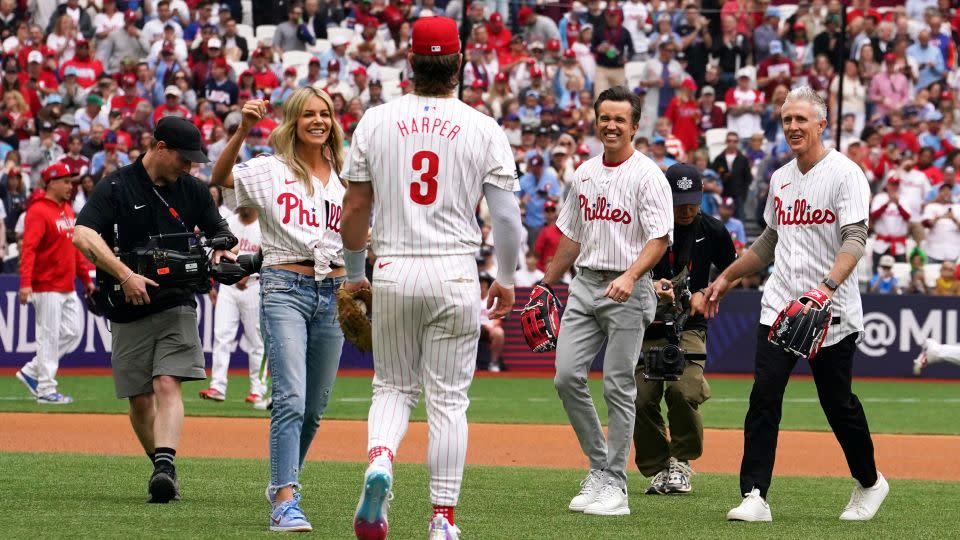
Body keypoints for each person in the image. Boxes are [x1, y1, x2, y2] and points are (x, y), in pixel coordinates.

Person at [339, 17, 522, 540]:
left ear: (410, 62)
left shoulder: (375, 120)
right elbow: (507, 218)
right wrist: (506, 278)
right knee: (448, 400)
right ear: (459, 63)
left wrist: (356, 274)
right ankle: (442, 518)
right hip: (455, 272)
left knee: (392, 386)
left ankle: (380, 461)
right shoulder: (483, 126)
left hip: (394, 267)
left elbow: (355, 207)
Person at [702, 86, 888, 522]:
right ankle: (754, 495)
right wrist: (727, 276)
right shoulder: (780, 177)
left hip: (831, 311)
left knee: (837, 405)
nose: (793, 127)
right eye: (787, 120)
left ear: (821, 124)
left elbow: (855, 239)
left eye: (801, 119)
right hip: (780, 308)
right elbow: (769, 240)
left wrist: (824, 289)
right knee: (764, 398)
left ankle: (869, 481)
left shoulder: (846, 174)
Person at [73, 117, 237, 504]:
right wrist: (125, 273)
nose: (190, 166)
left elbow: (219, 231)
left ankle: (164, 467)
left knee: (167, 382)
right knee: (139, 398)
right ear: (160, 147)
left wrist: (223, 250)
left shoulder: (193, 189)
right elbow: (82, 233)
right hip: (127, 304)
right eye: (184, 158)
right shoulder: (116, 185)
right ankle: (161, 465)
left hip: (176, 301)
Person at [210, 87, 348, 532]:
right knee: (289, 395)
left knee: (315, 405)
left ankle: (282, 481)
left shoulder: (347, 175)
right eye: (307, 113)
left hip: (336, 290)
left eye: (324, 113)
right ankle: (285, 498)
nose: (317, 120)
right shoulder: (271, 169)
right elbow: (221, 176)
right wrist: (244, 129)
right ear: (292, 121)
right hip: (285, 283)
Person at [546, 86, 672, 516]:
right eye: (605, 118)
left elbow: (659, 239)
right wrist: (546, 284)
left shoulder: (648, 175)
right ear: (595, 121)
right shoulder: (582, 173)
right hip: (585, 283)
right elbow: (571, 236)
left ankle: (615, 485)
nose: (612, 125)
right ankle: (600, 468)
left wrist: (633, 275)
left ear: (635, 126)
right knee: (566, 377)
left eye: (621, 119)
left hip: (629, 288)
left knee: (618, 385)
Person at [635, 163, 737, 496]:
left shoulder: (714, 230)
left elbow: (732, 272)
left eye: (692, 200)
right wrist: (651, 286)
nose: (686, 208)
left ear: (702, 195)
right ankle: (658, 468)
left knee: (681, 391)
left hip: (690, 324)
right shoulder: (645, 229)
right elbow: (623, 271)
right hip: (647, 324)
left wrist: (708, 293)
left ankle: (681, 462)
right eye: (679, 201)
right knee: (639, 398)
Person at [14, 163, 94, 404]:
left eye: (72, 182)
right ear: (51, 183)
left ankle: (30, 371)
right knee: (48, 338)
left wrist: (85, 279)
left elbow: (75, 248)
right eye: (66, 181)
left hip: (66, 284)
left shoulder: (67, 209)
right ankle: (46, 389)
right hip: (45, 285)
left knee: (73, 332)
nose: (71, 186)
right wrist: (25, 283)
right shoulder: (37, 211)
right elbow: (29, 250)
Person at [199, 206, 267, 406]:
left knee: (256, 340)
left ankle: (258, 390)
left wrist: (244, 275)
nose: (243, 204)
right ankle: (218, 387)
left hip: (253, 286)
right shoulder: (229, 220)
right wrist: (212, 283)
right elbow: (218, 251)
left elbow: (267, 254)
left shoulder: (264, 223)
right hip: (228, 287)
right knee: (221, 336)